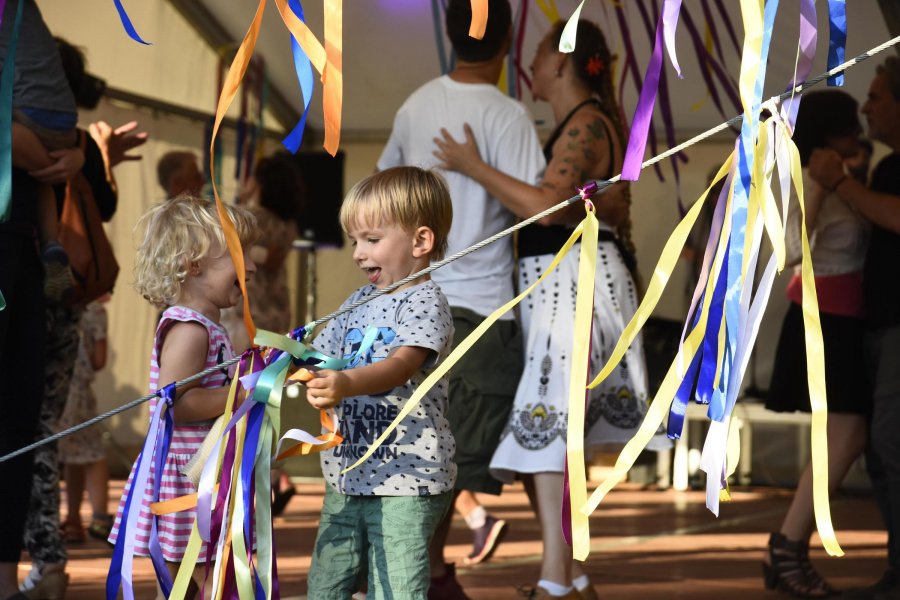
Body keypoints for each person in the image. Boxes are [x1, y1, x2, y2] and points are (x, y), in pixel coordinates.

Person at [434, 18, 665, 600]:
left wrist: (471, 166)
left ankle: (556, 580)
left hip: (572, 285)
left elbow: (549, 209)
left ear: (561, 63)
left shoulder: (586, 125)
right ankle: (571, 575)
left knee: (550, 430)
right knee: (555, 433)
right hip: (563, 284)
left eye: (538, 57)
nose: (529, 67)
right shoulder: (584, 125)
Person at [377, 0, 545, 594]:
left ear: (449, 36)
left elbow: (383, 197)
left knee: (418, 457)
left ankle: (429, 574)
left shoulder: (415, 105)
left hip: (412, 307)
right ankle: (410, 579)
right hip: (479, 311)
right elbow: (543, 206)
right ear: (507, 44)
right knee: (450, 462)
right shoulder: (509, 115)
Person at [304, 166, 456, 599]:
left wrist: (346, 382)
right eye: (355, 241)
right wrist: (286, 364)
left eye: (371, 239)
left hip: (407, 479)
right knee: (326, 585)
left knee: (395, 588)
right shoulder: (355, 302)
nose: (357, 253)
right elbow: (319, 357)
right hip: (347, 475)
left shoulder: (425, 301)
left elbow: (400, 366)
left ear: (421, 242)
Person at [107, 195, 257, 596]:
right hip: (185, 477)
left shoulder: (208, 325)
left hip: (203, 470)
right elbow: (180, 405)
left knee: (189, 585)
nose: (253, 267)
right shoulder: (190, 329)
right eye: (241, 257)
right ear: (194, 266)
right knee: (206, 582)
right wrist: (244, 390)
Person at [762, 90, 869, 599]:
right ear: (828, 135)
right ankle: (786, 547)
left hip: (849, 317)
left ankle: (788, 548)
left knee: (844, 437)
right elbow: (786, 249)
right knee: (846, 436)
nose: (861, 131)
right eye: (850, 125)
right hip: (825, 316)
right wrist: (824, 187)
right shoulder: (810, 180)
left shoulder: (849, 174)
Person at [809, 56, 900, 600]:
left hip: (895, 330)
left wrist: (840, 181)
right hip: (876, 324)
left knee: (890, 441)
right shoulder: (885, 168)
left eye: (878, 96)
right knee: (881, 450)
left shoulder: (879, 175)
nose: (867, 107)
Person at [221, 151, 306, 515]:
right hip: (275, 311)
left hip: (252, 315)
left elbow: (261, 255)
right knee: (271, 392)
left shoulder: (257, 218)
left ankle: (258, 474)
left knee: (248, 387)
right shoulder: (288, 222)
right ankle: (271, 475)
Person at [57, 295, 111, 545]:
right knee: (93, 453)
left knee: (71, 456)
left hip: (56, 391)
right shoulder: (95, 311)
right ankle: (99, 517)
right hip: (79, 396)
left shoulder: (58, 305)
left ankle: (73, 518)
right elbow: (99, 361)